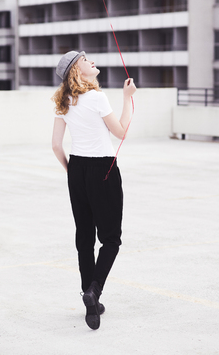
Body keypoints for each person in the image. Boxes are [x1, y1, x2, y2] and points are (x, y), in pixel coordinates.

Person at [51, 50, 136, 330]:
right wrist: (127, 98)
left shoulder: (64, 101)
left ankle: (91, 305)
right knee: (111, 239)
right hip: (103, 169)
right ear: (78, 70)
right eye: (87, 60)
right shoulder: (98, 98)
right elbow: (121, 132)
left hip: (77, 169)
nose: (93, 62)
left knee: (84, 238)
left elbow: (55, 146)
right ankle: (94, 292)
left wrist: (71, 172)